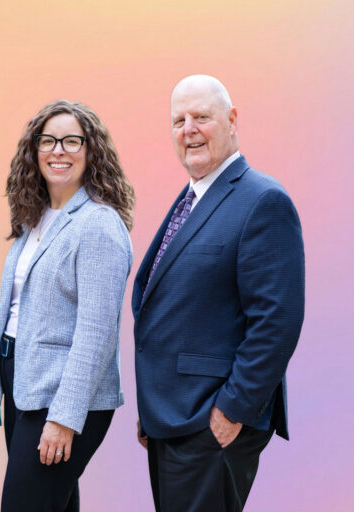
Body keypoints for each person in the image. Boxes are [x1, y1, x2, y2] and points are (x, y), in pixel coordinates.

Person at [132, 75, 305, 512]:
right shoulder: (194, 197)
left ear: (231, 120)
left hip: (211, 420)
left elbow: (277, 320)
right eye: (178, 120)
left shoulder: (262, 200)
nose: (188, 129)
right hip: (173, 418)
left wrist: (233, 410)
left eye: (201, 117)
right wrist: (155, 406)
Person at [0, 100, 134, 512]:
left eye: (72, 141)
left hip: (60, 397)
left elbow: (96, 332)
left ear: (91, 151)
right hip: (22, 383)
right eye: (49, 141)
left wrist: (65, 417)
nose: (59, 150)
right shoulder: (33, 220)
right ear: (33, 151)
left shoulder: (98, 225)